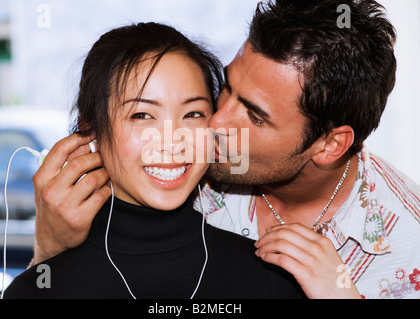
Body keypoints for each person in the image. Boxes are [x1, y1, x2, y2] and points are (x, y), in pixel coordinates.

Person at [32, 0, 420, 299]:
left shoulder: (409, 240)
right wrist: (48, 250)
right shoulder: (183, 175)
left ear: (329, 144)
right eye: (226, 89)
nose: (213, 124)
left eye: (253, 115)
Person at [3, 22, 306, 299]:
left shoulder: (270, 278)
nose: (173, 141)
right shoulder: (41, 288)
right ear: (90, 130)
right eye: (142, 115)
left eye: (193, 114)